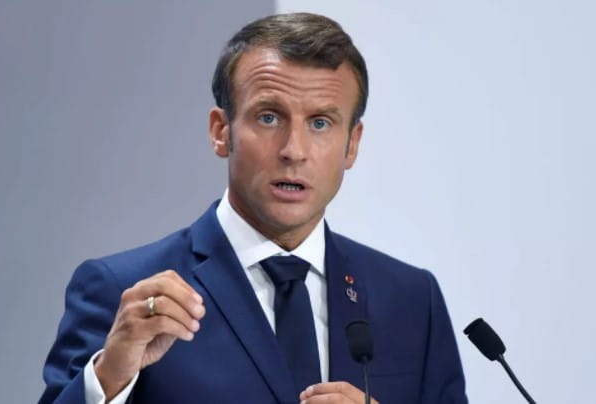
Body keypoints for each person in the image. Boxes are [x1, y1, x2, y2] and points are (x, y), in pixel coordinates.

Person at [39, 12, 467, 404]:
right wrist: (110, 374)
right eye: (268, 117)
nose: (294, 150)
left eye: (320, 123)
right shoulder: (124, 290)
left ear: (351, 144)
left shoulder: (412, 300)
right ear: (220, 131)